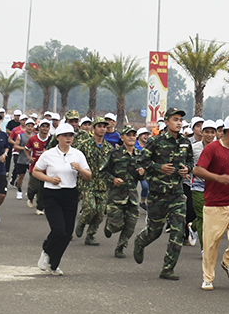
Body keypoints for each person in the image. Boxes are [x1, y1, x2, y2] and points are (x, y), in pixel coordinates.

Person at [133, 107, 196, 281]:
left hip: (177, 194)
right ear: (166, 122)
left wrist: (187, 169)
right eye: (175, 119)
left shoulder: (185, 142)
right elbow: (141, 160)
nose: (179, 123)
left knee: (178, 230)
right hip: (157, 194)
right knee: (154, 232)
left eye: (180, 120)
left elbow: (190, 160)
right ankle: (140, 242)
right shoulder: (155, 141)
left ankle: (168, 268)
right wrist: (158, 167)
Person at [32, 123, 92, 276]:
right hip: (52, 194)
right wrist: (49, 179)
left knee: (67, 233)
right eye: (65, 135)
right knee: (58, 230)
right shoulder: (49, 154)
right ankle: (46, 252)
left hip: (70, 194)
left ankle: (54, 264)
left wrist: (79, 169)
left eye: (71, 135)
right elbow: (36, 171)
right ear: (57, 137)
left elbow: (88, 176)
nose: (68, 138)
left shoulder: (77, 154)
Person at [103, 126, 146, 258]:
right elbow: (102, 172)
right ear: (122, 138)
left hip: (132, 196)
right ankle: (110, 226)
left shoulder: (140, 156)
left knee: (131, 224)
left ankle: (121, 247)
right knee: (117, 225)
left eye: (134, 135)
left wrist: (143, 174)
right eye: (129, 135)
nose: (132, 137)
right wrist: (113, 179)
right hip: (116, 196)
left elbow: (143, 177)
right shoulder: (114, 153)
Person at [75, 117, 113, 247]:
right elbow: (76, 161)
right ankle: (82, 222)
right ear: (94, 128)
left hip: (102, 183)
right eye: (99, 126)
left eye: (104, 126)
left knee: (100, 212)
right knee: (90, 208)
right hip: (87, 182)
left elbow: (111, 165)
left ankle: (90, 235)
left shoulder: (109, 147)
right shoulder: (84, 144)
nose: (102, 128)